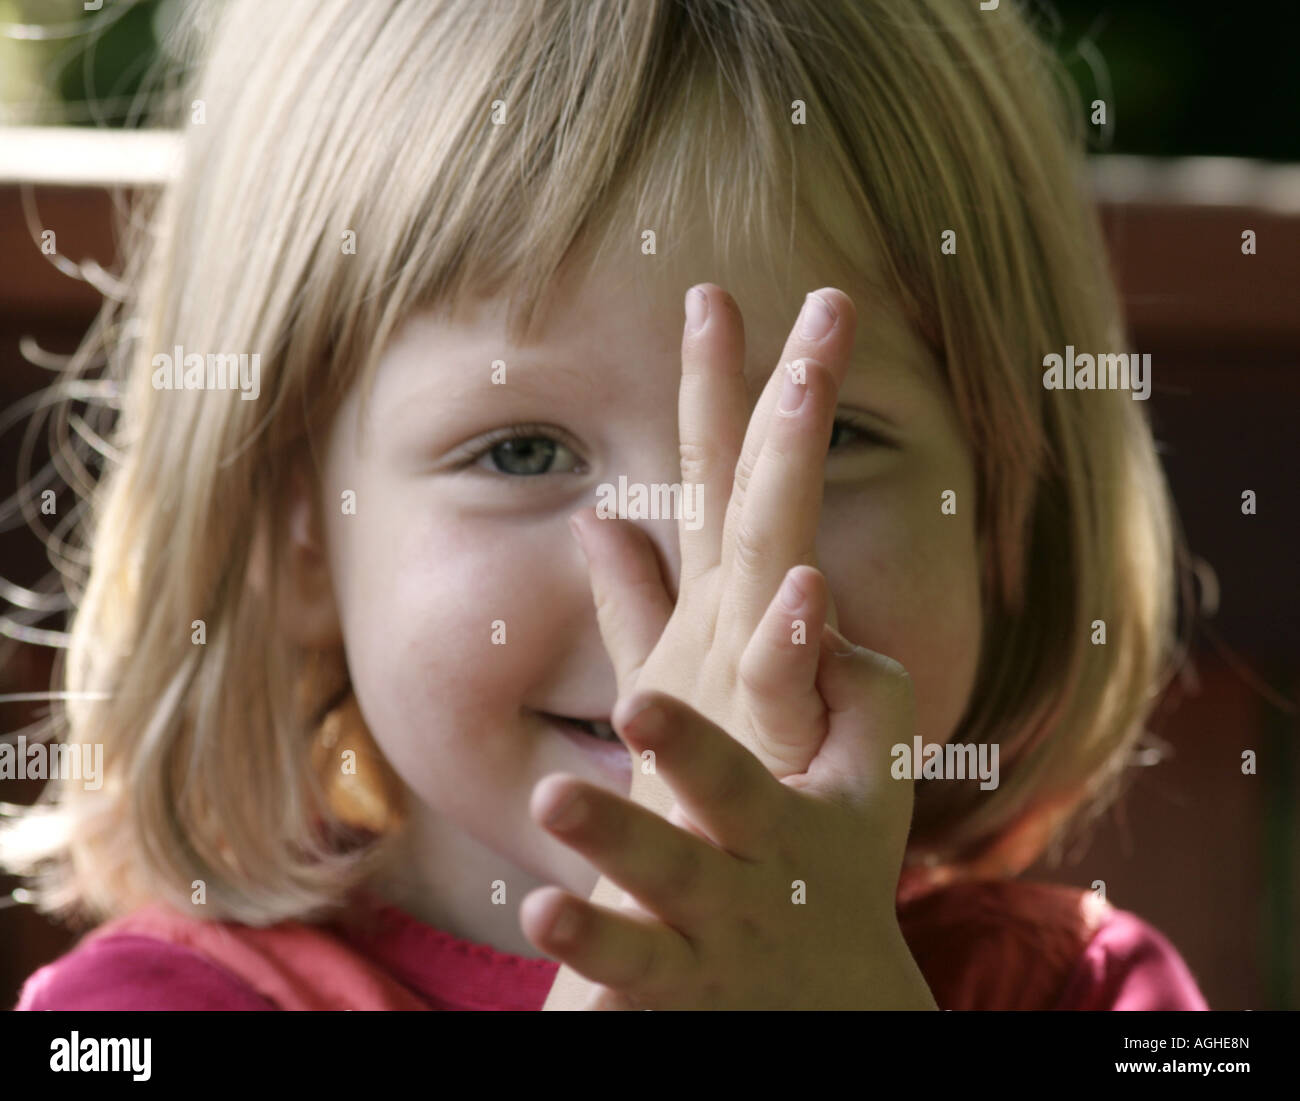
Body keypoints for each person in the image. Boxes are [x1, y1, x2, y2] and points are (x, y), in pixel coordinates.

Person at [4, 0, 1207, 1010]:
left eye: (827, 433)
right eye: (523, 450)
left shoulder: (1077, 989)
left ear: (1005, 507)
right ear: (295, 530)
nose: (694, 571)